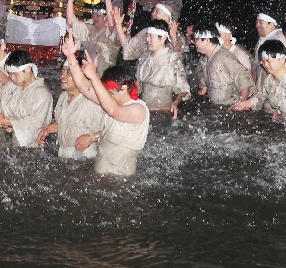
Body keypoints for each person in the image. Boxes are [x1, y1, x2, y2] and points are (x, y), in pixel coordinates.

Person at [60, 34, 150, 177]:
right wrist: (71, 57)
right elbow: (84, 88)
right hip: (99, 176)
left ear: (124, 88)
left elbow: (114, 111)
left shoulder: (139, 109)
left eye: (110, 91)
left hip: (121, 181)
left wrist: (94, 77)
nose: (107, 94)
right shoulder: (111, 101)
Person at [39, 51, 110, 160]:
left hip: (86, 158)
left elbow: (111, 130)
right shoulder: (63, 97)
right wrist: (47, 129)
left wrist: (91, 138)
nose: (62, 76)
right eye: (62, 71)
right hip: (64, 155)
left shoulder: (94, 100)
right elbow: (64, 123)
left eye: (69, 72)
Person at [0, 50, 53, 148]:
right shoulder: (11, 86)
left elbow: (34, 125)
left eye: (15, 74)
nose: (12, 78)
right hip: (14, 145)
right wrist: (0, 119)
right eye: (10, 74)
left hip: (33, 149)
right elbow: (4, 110)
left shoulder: (41, 93)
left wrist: (7, 122)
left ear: (28, 69)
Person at [133, 18, 190, 118]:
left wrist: (176, 102)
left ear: (163, 38)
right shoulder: (144, 57)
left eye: (151, 37)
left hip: (162, 112)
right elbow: (137, 87)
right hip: (144, 111)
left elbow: (184, 88)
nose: (147, 40)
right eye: (147, 36)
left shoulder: (172, 58)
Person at [64, 0, 121, 71]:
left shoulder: (112, 32)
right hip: (87, 75)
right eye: (93, 15)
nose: (95, 18)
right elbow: (71, 22)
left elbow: (111, 24)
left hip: (104, 77)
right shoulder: (89, 29)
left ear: (106, 17)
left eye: (98, 15)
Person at [192, 26, 254, 107]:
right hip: (217, 108)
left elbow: (244, 79)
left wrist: (241, 104)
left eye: (197, 39)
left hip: (230, 107)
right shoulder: (205, 59)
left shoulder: (223, 56)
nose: (194, 42)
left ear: (207, 40)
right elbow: (205, 87)